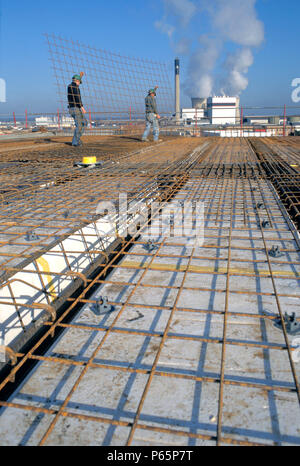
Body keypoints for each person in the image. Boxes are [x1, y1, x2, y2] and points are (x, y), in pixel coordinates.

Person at [67, 73, 88, 147]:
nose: (79, 84)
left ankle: (77, 139)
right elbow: (77, 97)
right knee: (79, 125)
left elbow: (76, 81)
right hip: (75, 108)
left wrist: (80, 76)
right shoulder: (73, 87)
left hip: (75, 108)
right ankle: (75, 142)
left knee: (84, 123)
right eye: (79, 82)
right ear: (77, 81)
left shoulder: (73, 86)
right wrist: (82, 107)